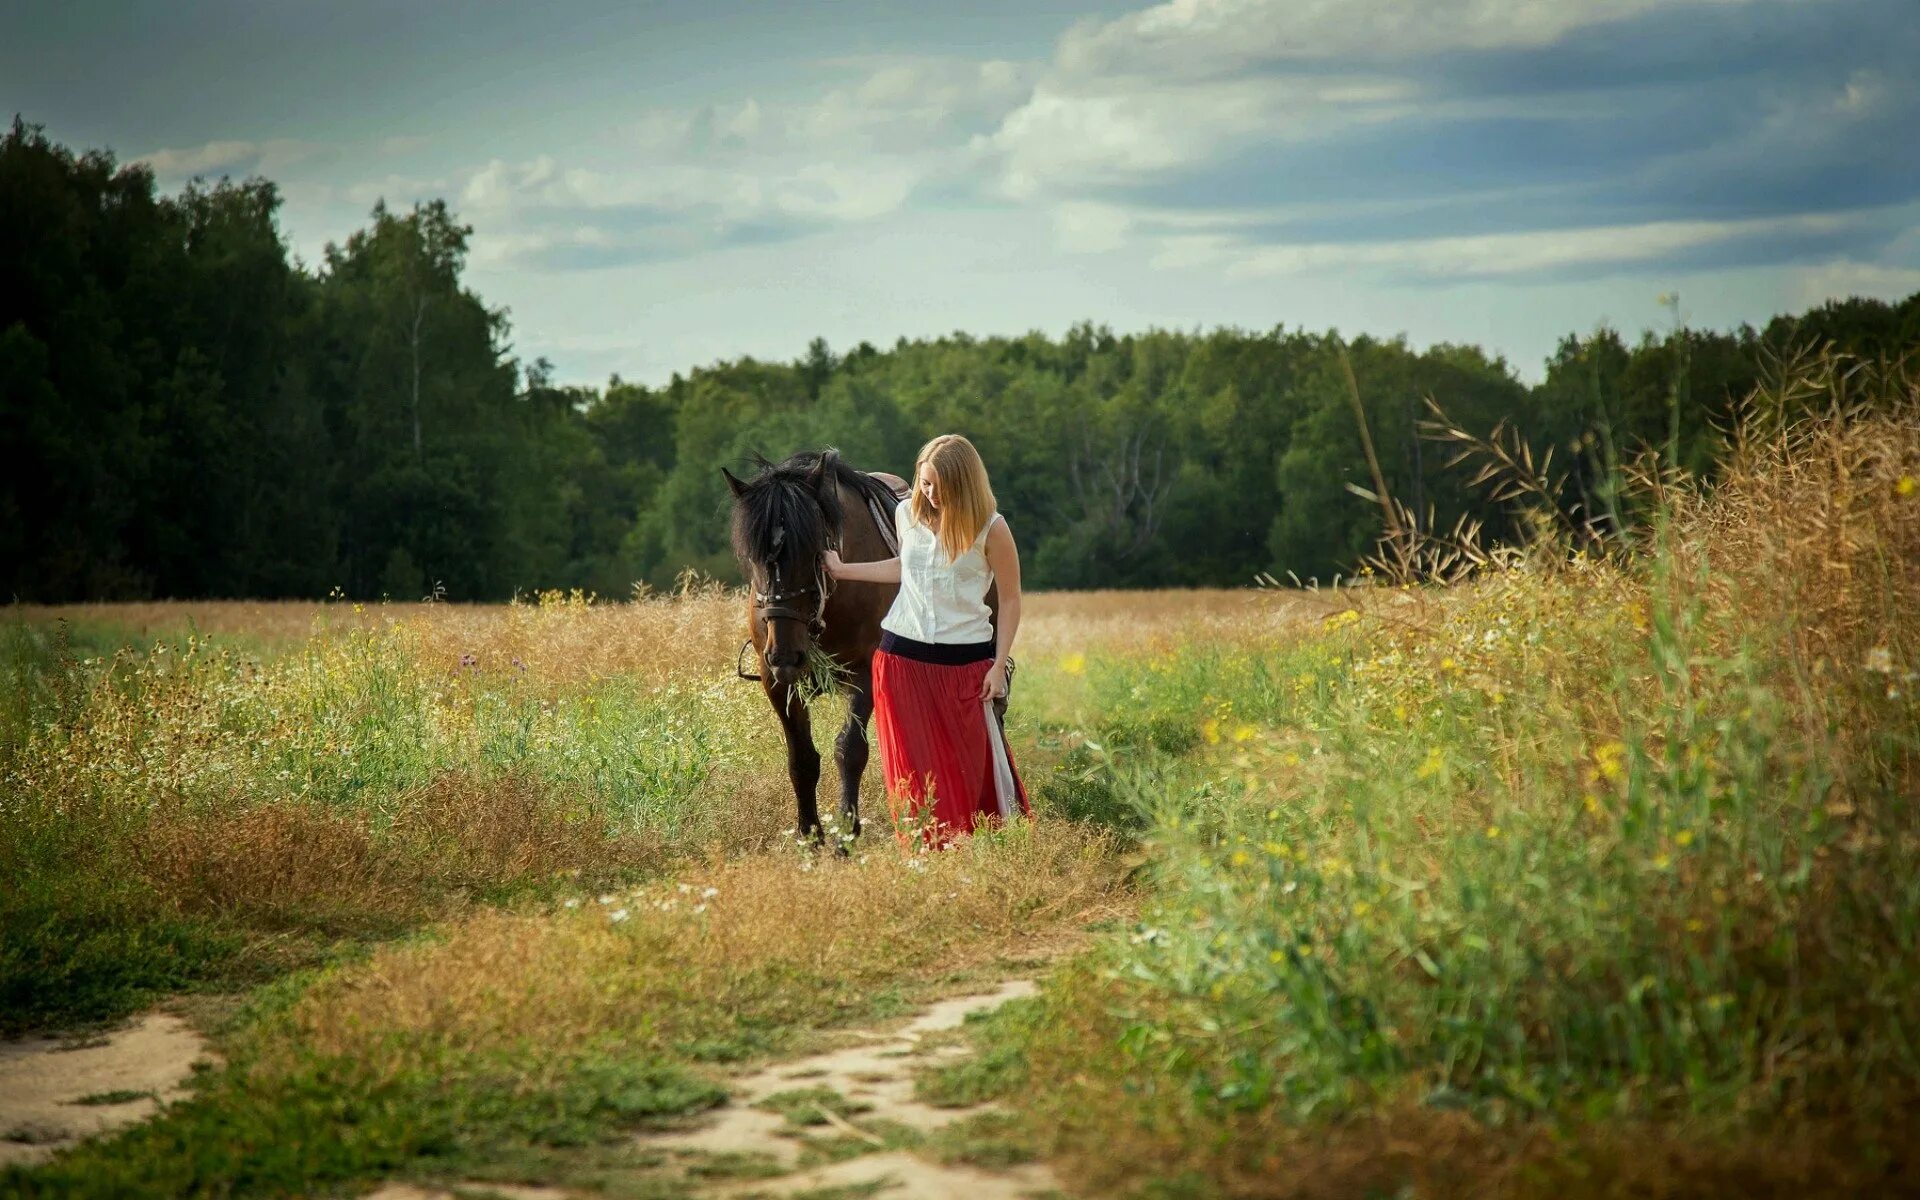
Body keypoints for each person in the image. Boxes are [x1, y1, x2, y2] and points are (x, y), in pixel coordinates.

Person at [826, 434, 1030, 844]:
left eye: (940, 484)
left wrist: (998, 665)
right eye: (925, 483)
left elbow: (1009, 599)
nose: (931, 493)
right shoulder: (907, 515)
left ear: (965, 483)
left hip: (965, 666)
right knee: (915, 774)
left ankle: (976, 850)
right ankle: (926, 856)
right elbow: (906, 568)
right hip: (901, 663)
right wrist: (843, 569)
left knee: (969, 769)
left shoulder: (992, 528)